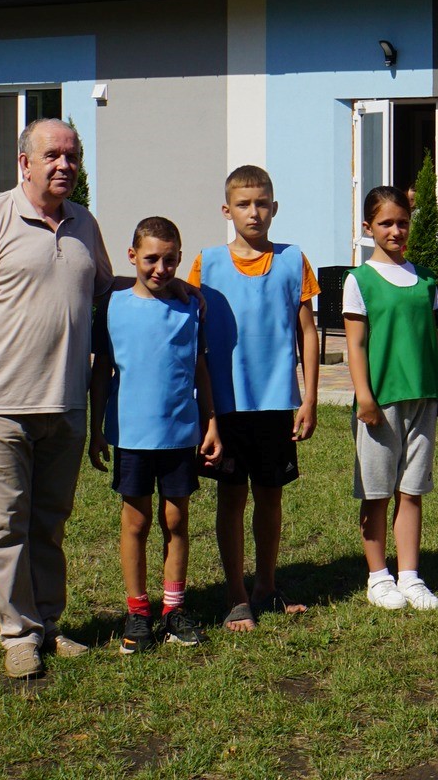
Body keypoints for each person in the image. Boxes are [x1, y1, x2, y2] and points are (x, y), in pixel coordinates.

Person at [0, 118, 113, 680]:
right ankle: (18, 635)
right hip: (0, 404)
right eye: (52, 154)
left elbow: (108, 299)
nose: (64, 165)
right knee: (7, 524)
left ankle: (49, 625)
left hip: (66, 403)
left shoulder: (85, 225)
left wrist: (171, 289)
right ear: (24, 163)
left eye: (72, 156)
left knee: (51, 522)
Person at [188, 165, 321, 631]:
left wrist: (309, 399)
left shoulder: (293, 260)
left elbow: (308, 332)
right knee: (231, 497)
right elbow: (195, 338)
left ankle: (266, 585)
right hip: (225, 407)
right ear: (227, 210)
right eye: (243, 204)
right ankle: (236, 595)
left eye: (262, 203)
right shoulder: (207, 263)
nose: (254, 212)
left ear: (274, 208)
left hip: (276, 404)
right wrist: (203, 411)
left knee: (269, 496)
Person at [88, 216, 223, 654]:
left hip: (179, 436)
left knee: (176, 520)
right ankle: (137, 611)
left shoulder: (190, 306)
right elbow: (102, 373)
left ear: (180, 259)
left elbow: (200, 368)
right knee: (136, 522)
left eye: (169, 260)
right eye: (150, 259)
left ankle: (174, 608)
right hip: (130, 436)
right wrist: (96, 429)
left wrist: (211, 422)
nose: (160, 268)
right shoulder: (112, 305)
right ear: (133, 257)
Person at [345, 186, 438, 610]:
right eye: (386, 223)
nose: (396, 230)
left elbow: (435, 339)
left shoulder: (425, 278)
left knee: (412, 490)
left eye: (402, 222)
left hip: (422, 397)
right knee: (377, 491)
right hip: (380, 403)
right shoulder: (360, 281)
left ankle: (409, 574)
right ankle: (378, 576)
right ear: (368, 227)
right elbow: (355, 345)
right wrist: (364, 396)